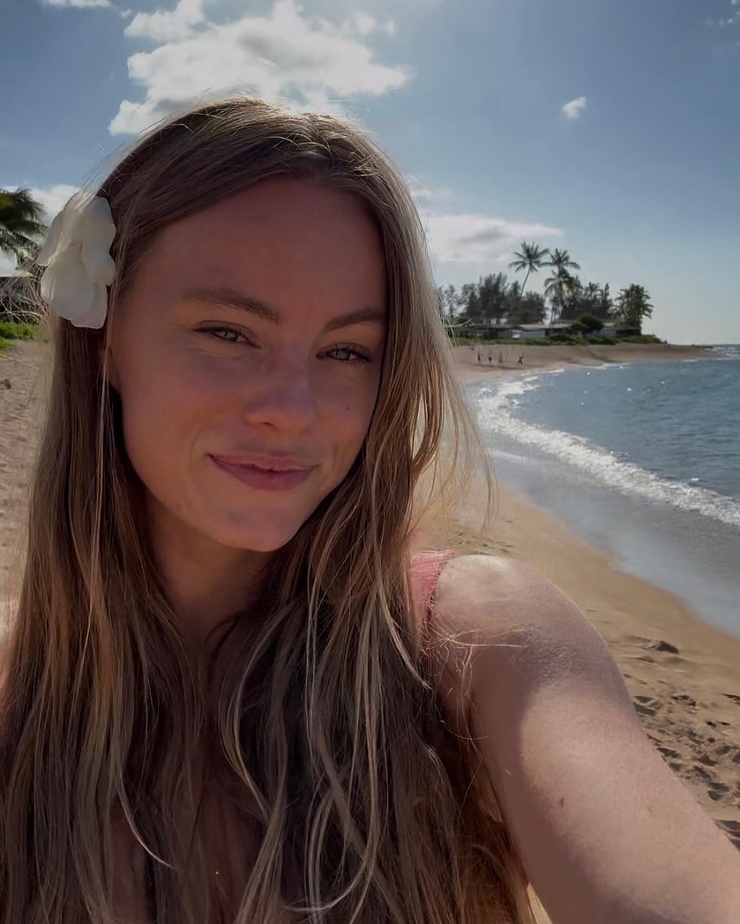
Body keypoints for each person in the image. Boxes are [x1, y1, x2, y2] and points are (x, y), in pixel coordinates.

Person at [1, 98, 738, 924]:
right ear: (105, 343)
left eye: (346, 350)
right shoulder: (16, 697)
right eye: (228, 332)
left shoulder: (474, 649)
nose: (293, 410)